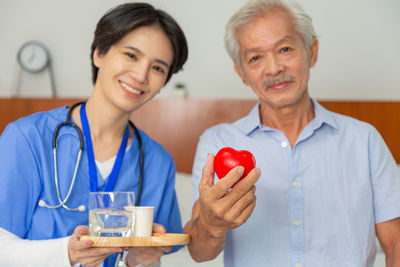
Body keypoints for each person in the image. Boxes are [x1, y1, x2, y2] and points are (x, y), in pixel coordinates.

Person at [183, 0, 400, 266]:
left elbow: (396, 242)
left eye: (284, 49)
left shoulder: (364, 140)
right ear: (241, 71)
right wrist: (211, 223)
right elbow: (199, 252)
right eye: (255, 58)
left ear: (312, 51)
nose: (274, 68)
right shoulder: (217, 142)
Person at [0, 2, 188, 267]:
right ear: (99, 53)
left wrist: (137, 260)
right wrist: (68, 252)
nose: (141, 75)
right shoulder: (27, 138)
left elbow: (149, 258)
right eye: (131, 56)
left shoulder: (158, 163)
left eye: (158, 68)